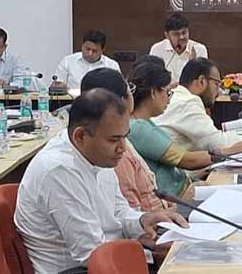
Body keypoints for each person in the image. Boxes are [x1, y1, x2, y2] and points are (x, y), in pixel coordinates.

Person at [15, 88, 188, 274]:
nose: (122, 148)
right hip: (78, 269)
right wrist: (148, 253)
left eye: (125, 137)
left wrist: (143, 220)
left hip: (111, 258)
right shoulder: (58, 170)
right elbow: (91, 253)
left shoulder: (97, 154)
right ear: (80, 136)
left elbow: (118, 213)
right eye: (114, 140)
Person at [78, 68, 168, 213]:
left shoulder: (112, 135)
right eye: (130, 90)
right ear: (119, 101)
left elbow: (123, 211)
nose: (122, 146)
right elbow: (132, 209)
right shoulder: (113, 155)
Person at [129, 62, 213, 200]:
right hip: (175, 199)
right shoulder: (138, 128)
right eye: (168, 92)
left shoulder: (144, 122)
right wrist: (224, 154)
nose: (169, 98)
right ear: (154, 92)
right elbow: (187, 160)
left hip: (184, 187)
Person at [154, 58, 242, 153]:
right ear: (201, 81)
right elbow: (216, 143)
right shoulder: (188, 102)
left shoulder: (178, 95)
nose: (218, 92)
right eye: (216, 84)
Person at [149, 12, 208, 83]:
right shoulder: (157, 49)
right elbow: (153, 79)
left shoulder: (199, 49)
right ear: (167, 35)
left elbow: (202, 81)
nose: (181, 37)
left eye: (184, 32)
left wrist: (192, 65)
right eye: (176, 34)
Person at [52, 30, 120, 89]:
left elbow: (120, 90)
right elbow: (57, 85)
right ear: (82, 45)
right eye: (87, 49)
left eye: (94, 51)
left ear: (102, 50)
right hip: (73, 99)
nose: (90, 54)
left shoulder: (112, 66)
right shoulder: (68, 61)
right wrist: (58, 87)